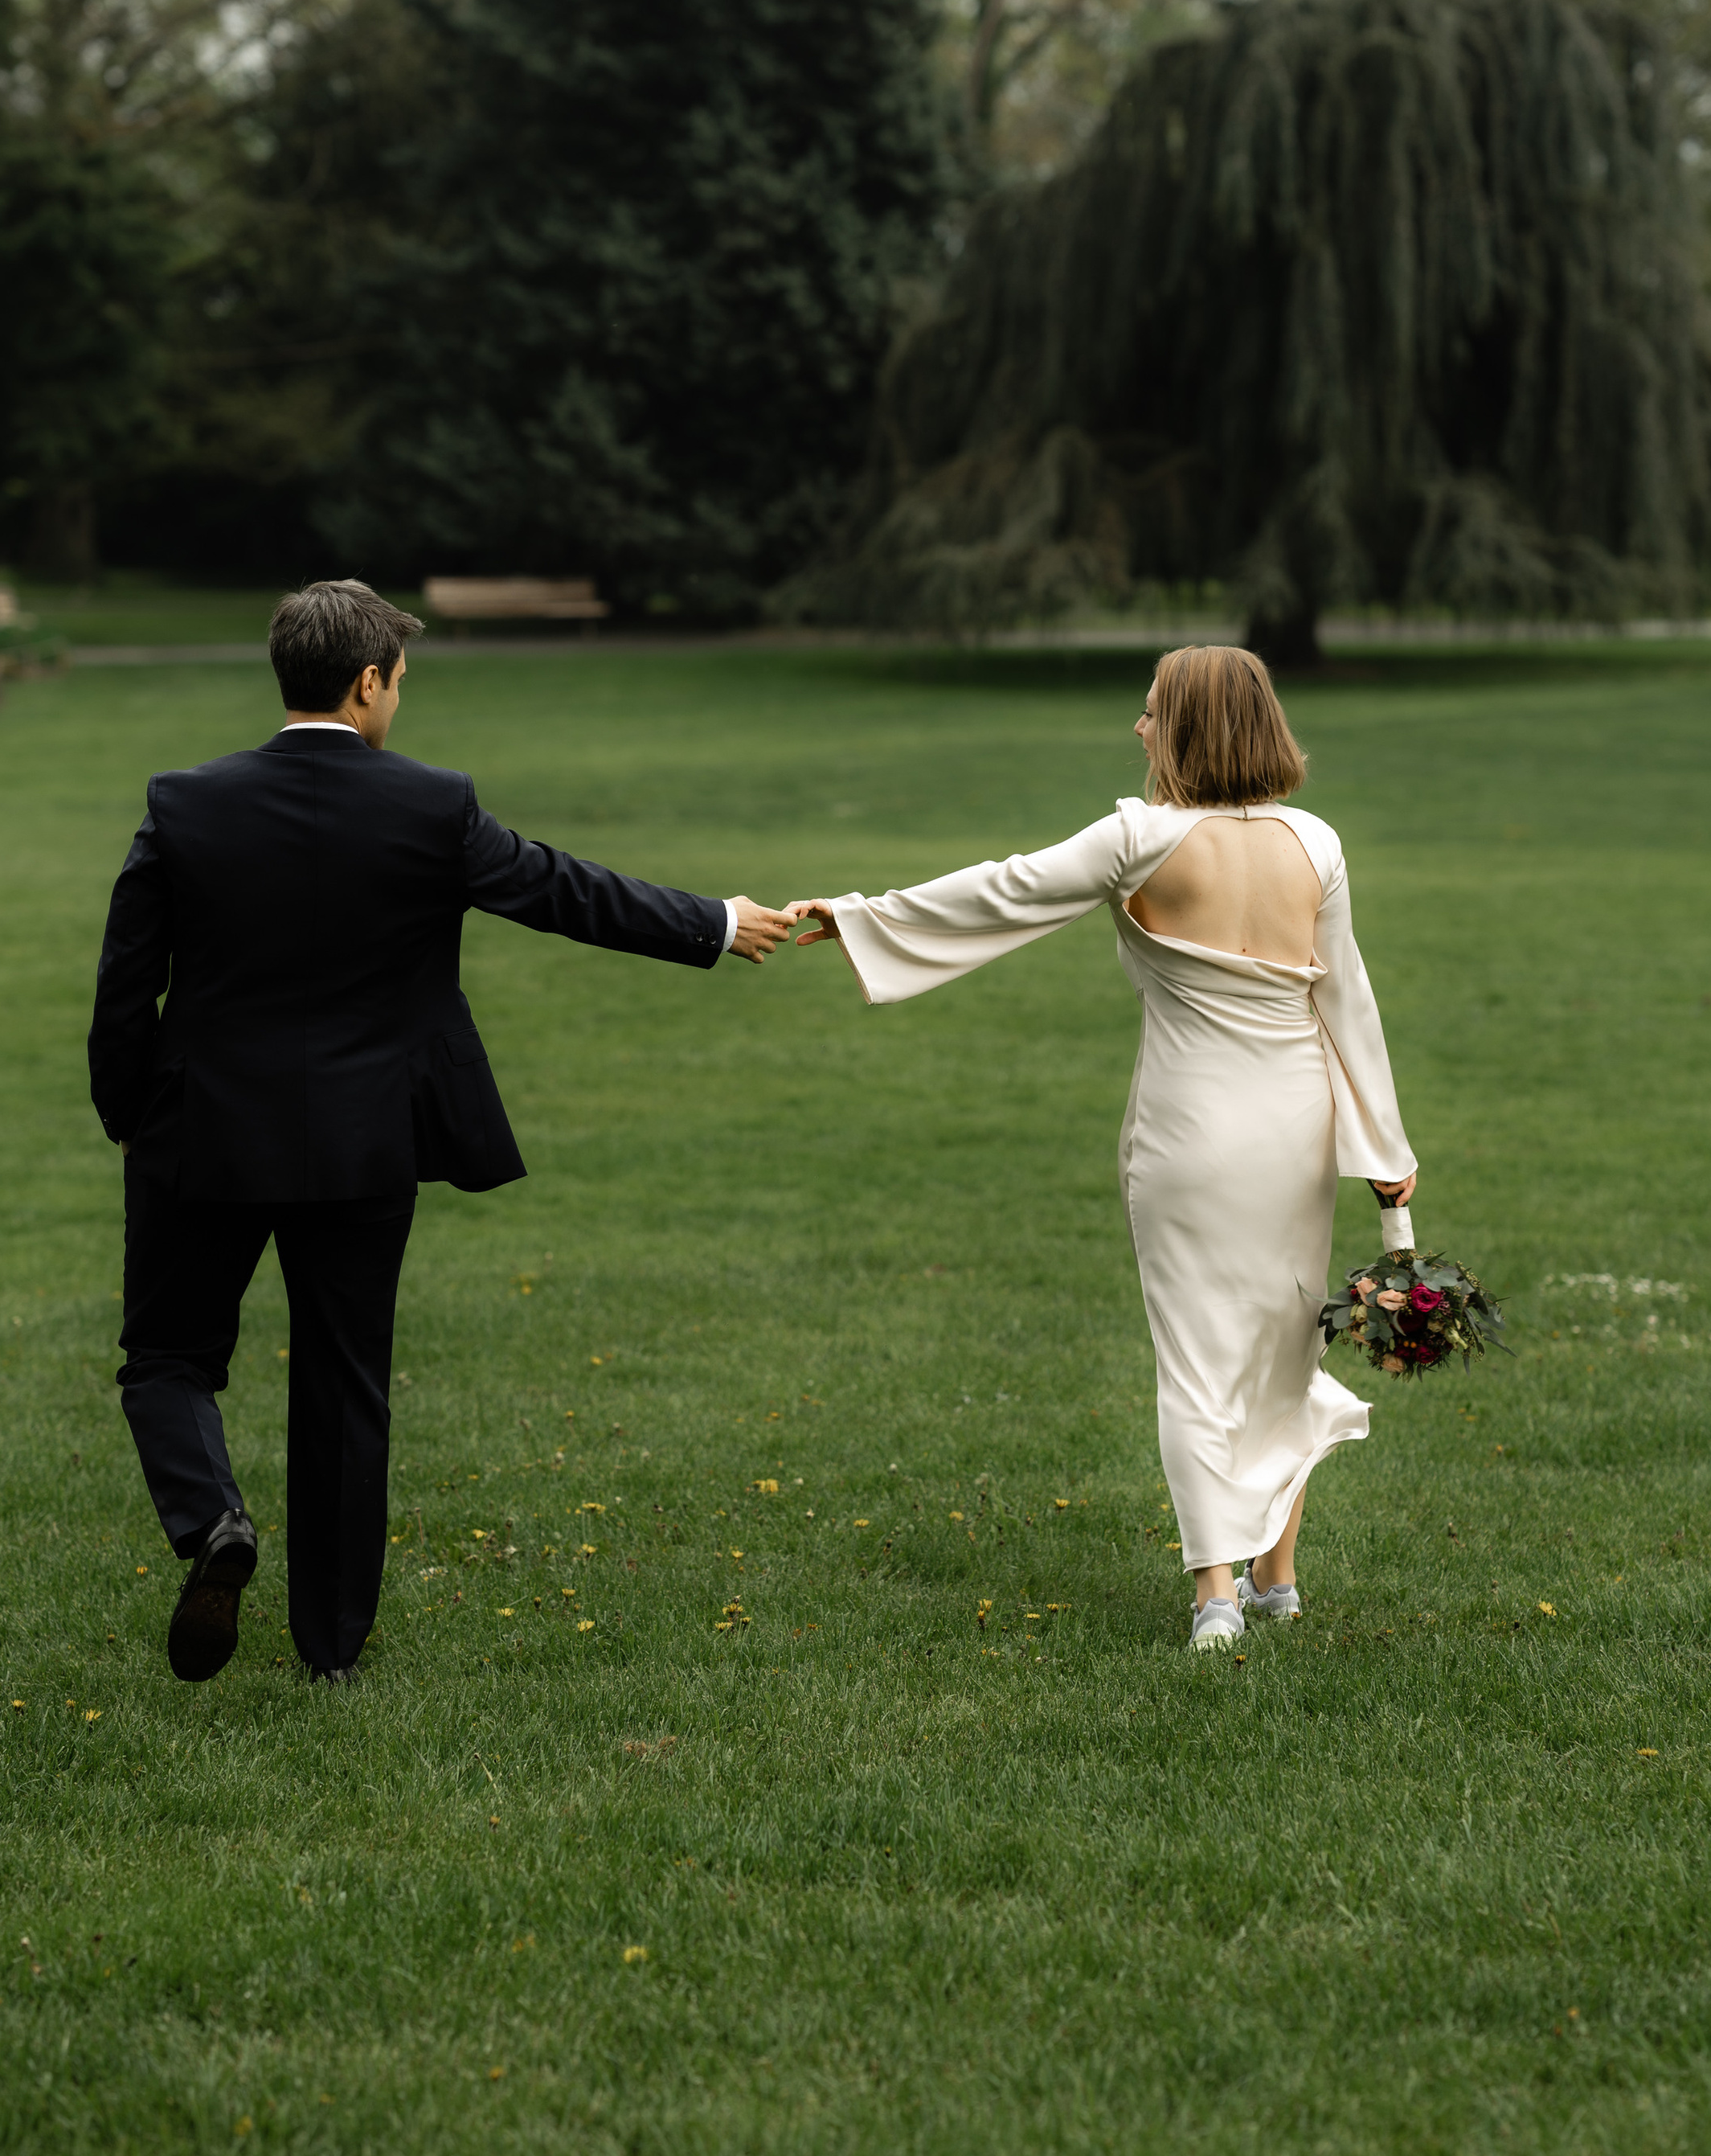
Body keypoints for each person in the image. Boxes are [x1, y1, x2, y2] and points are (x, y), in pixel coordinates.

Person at [87, 578, 790, 1687]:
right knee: (344, 1383)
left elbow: (128, 983)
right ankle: (330, 1652)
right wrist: (712, 923)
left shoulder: (184, 803)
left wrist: (130, 1116)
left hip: (201, 1137)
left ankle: (211, 1520)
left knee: (169, 1359)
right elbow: (562, 890)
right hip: (366, 1145)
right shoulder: (428, 807)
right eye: (399, 682)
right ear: (367, 683)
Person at [788, 643, 1417, 1649]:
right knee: (1281, 1345)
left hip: (1191, 1127)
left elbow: (1004, 891)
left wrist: (861, 917)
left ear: (1191, 728)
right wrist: (1386, 1149)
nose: (1137, 726)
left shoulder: (1142, 836)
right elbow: (1347, 1000)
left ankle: (1218, 1596)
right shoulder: (1316, 841)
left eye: (1151, 709)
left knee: (1198, 1357)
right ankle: (1276, 1584)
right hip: (1296, 1126)